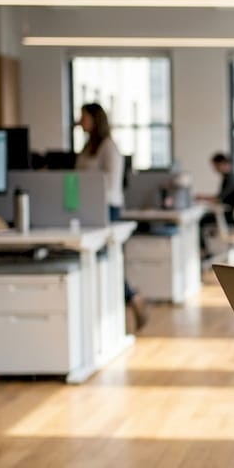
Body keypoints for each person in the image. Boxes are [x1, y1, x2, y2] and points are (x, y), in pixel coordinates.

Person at [76, 102, 148, 329]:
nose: (80, 122)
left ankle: (131, 297)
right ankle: (128, 300)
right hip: (86, 208)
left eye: (84, 117)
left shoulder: (108, 147)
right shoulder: (88, 147)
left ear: (95, 119)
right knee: (96, 260)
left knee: (109, 260)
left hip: (107, 209)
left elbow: (111, 182)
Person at [198, 152, 234, 257]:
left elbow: (219, 199)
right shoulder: (232, 177)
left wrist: (201, 197)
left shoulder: (230, 179)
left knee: (201, 221)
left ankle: (204, 252)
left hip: (230, 218)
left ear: (222, 163)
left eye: (215, 166)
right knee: (205, 218)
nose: (215, 169)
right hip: (233, 216)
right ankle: (205, 251)